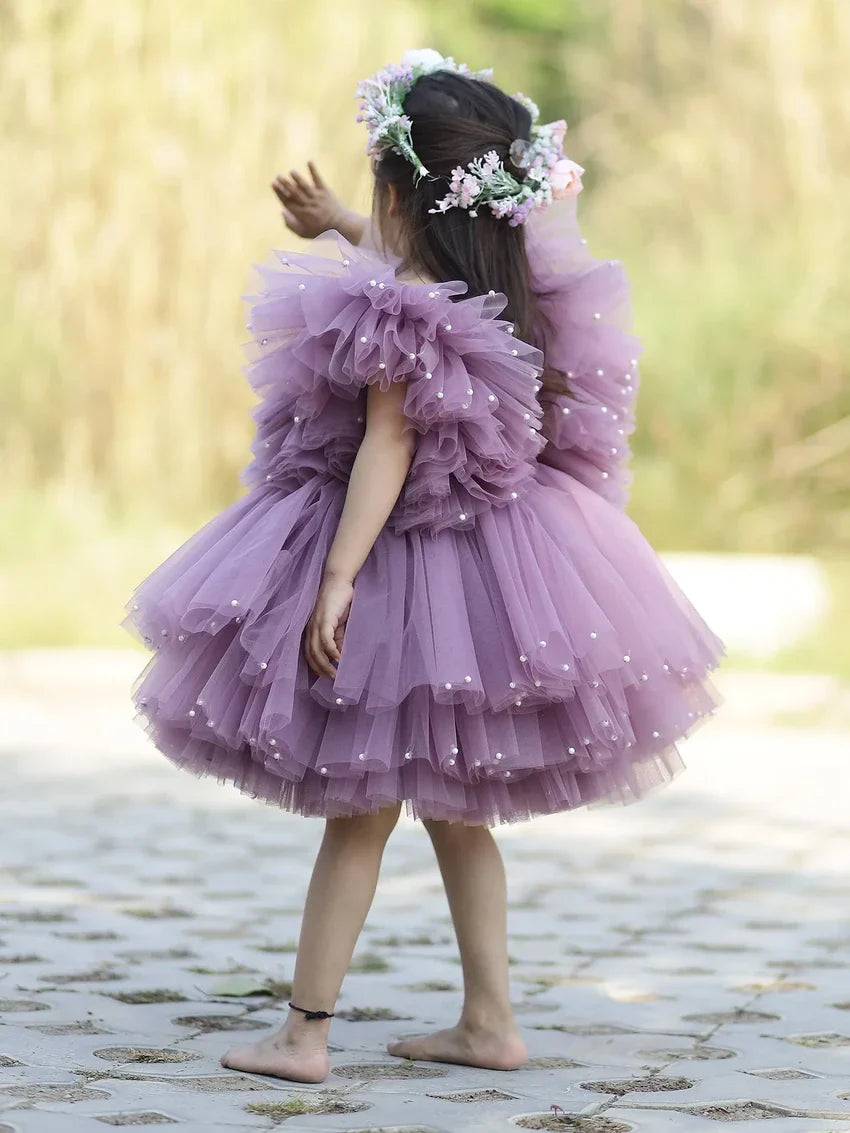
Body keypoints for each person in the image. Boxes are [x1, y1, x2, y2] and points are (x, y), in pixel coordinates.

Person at [123, 49, 724, 1083]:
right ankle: (489, 1021)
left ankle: (302, 1031)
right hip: (496, 568)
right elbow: (419, 277)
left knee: (358, 812)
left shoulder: (400, 303)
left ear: (402, 189)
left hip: (402, 568)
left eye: (374, 183)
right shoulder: (510, 283)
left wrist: (339, 576)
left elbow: (385, 444)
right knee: (459, 807)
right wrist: (338, 229)